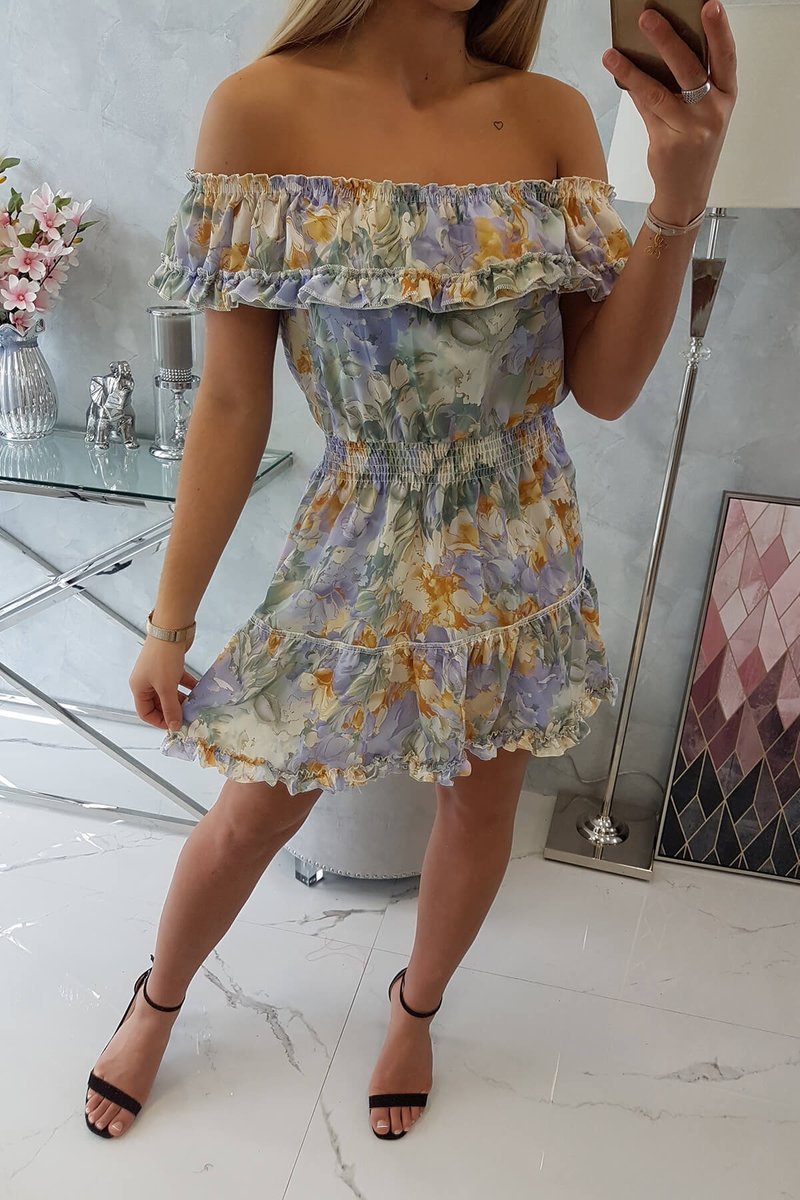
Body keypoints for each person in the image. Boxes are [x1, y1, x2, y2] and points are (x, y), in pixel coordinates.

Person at [84, 0, 737, 1142]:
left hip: (511, 534)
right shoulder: (258, 110)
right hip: (357, 529)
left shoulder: (548, 115)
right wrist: (169, 622)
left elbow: (603, 387)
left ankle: (415, 1006)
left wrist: (677, 199)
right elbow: (231, 401)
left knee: (481, 811)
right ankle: (159, 997)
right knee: (254, 809)